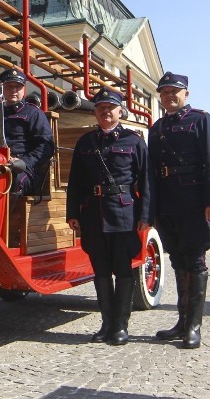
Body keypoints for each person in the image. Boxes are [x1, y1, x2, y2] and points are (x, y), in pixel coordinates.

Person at [148, 71, 210, 349]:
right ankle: (181, 321)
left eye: (174, 92)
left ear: (186, 94)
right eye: (165, 92)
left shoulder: (201, 121)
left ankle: (194, 326)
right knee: (178, 261)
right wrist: (152, 209)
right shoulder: (156, 129)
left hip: (194, 203)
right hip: (168, 203)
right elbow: (152, 173)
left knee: (194, 261)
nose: (169, 96)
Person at [66, 87, 151, 346]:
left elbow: (146, 181)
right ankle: (106, 324)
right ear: (95, 111)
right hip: (93, 214)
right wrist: (72, 213)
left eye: (110, 107)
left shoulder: (134, 141)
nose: (105, 111)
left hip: (124, 214)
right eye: (100, 107)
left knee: (123, 271)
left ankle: (121, 326)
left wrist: (146, 215)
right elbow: (76, 181)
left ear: (120, 111)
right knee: (101, 272)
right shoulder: (85, 142)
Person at [0, 68, 55, 200]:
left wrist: (23, 162)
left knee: (11, 179)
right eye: (9, 87)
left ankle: (8, 221)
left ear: (24, 90)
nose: (13, 90)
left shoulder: (33, 113)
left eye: (17, 87)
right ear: (1, 89)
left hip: (23, 170)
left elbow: (46, 147)